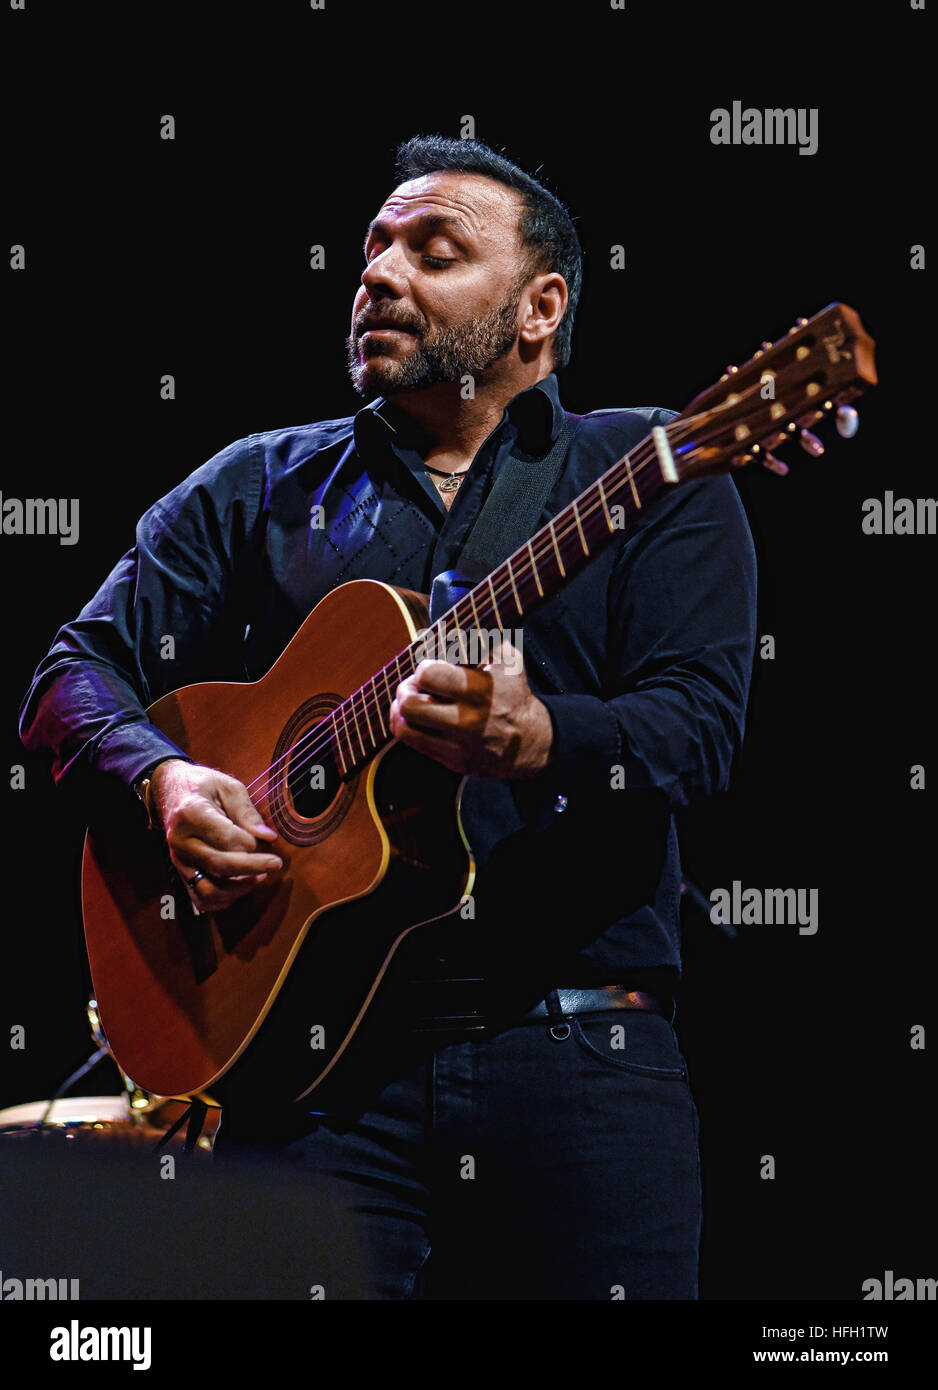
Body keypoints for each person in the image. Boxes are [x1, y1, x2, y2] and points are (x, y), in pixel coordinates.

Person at [19, 134, 757, 1300]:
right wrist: (165, 781)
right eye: (370, 247)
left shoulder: (648, 470)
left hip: (577, 1067)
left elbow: (702, 730)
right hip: (310, 1083)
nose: (377, 271)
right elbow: (70, 674)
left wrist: (543, 738)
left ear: (537, 307)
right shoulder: (259, 483)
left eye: (432, 249)